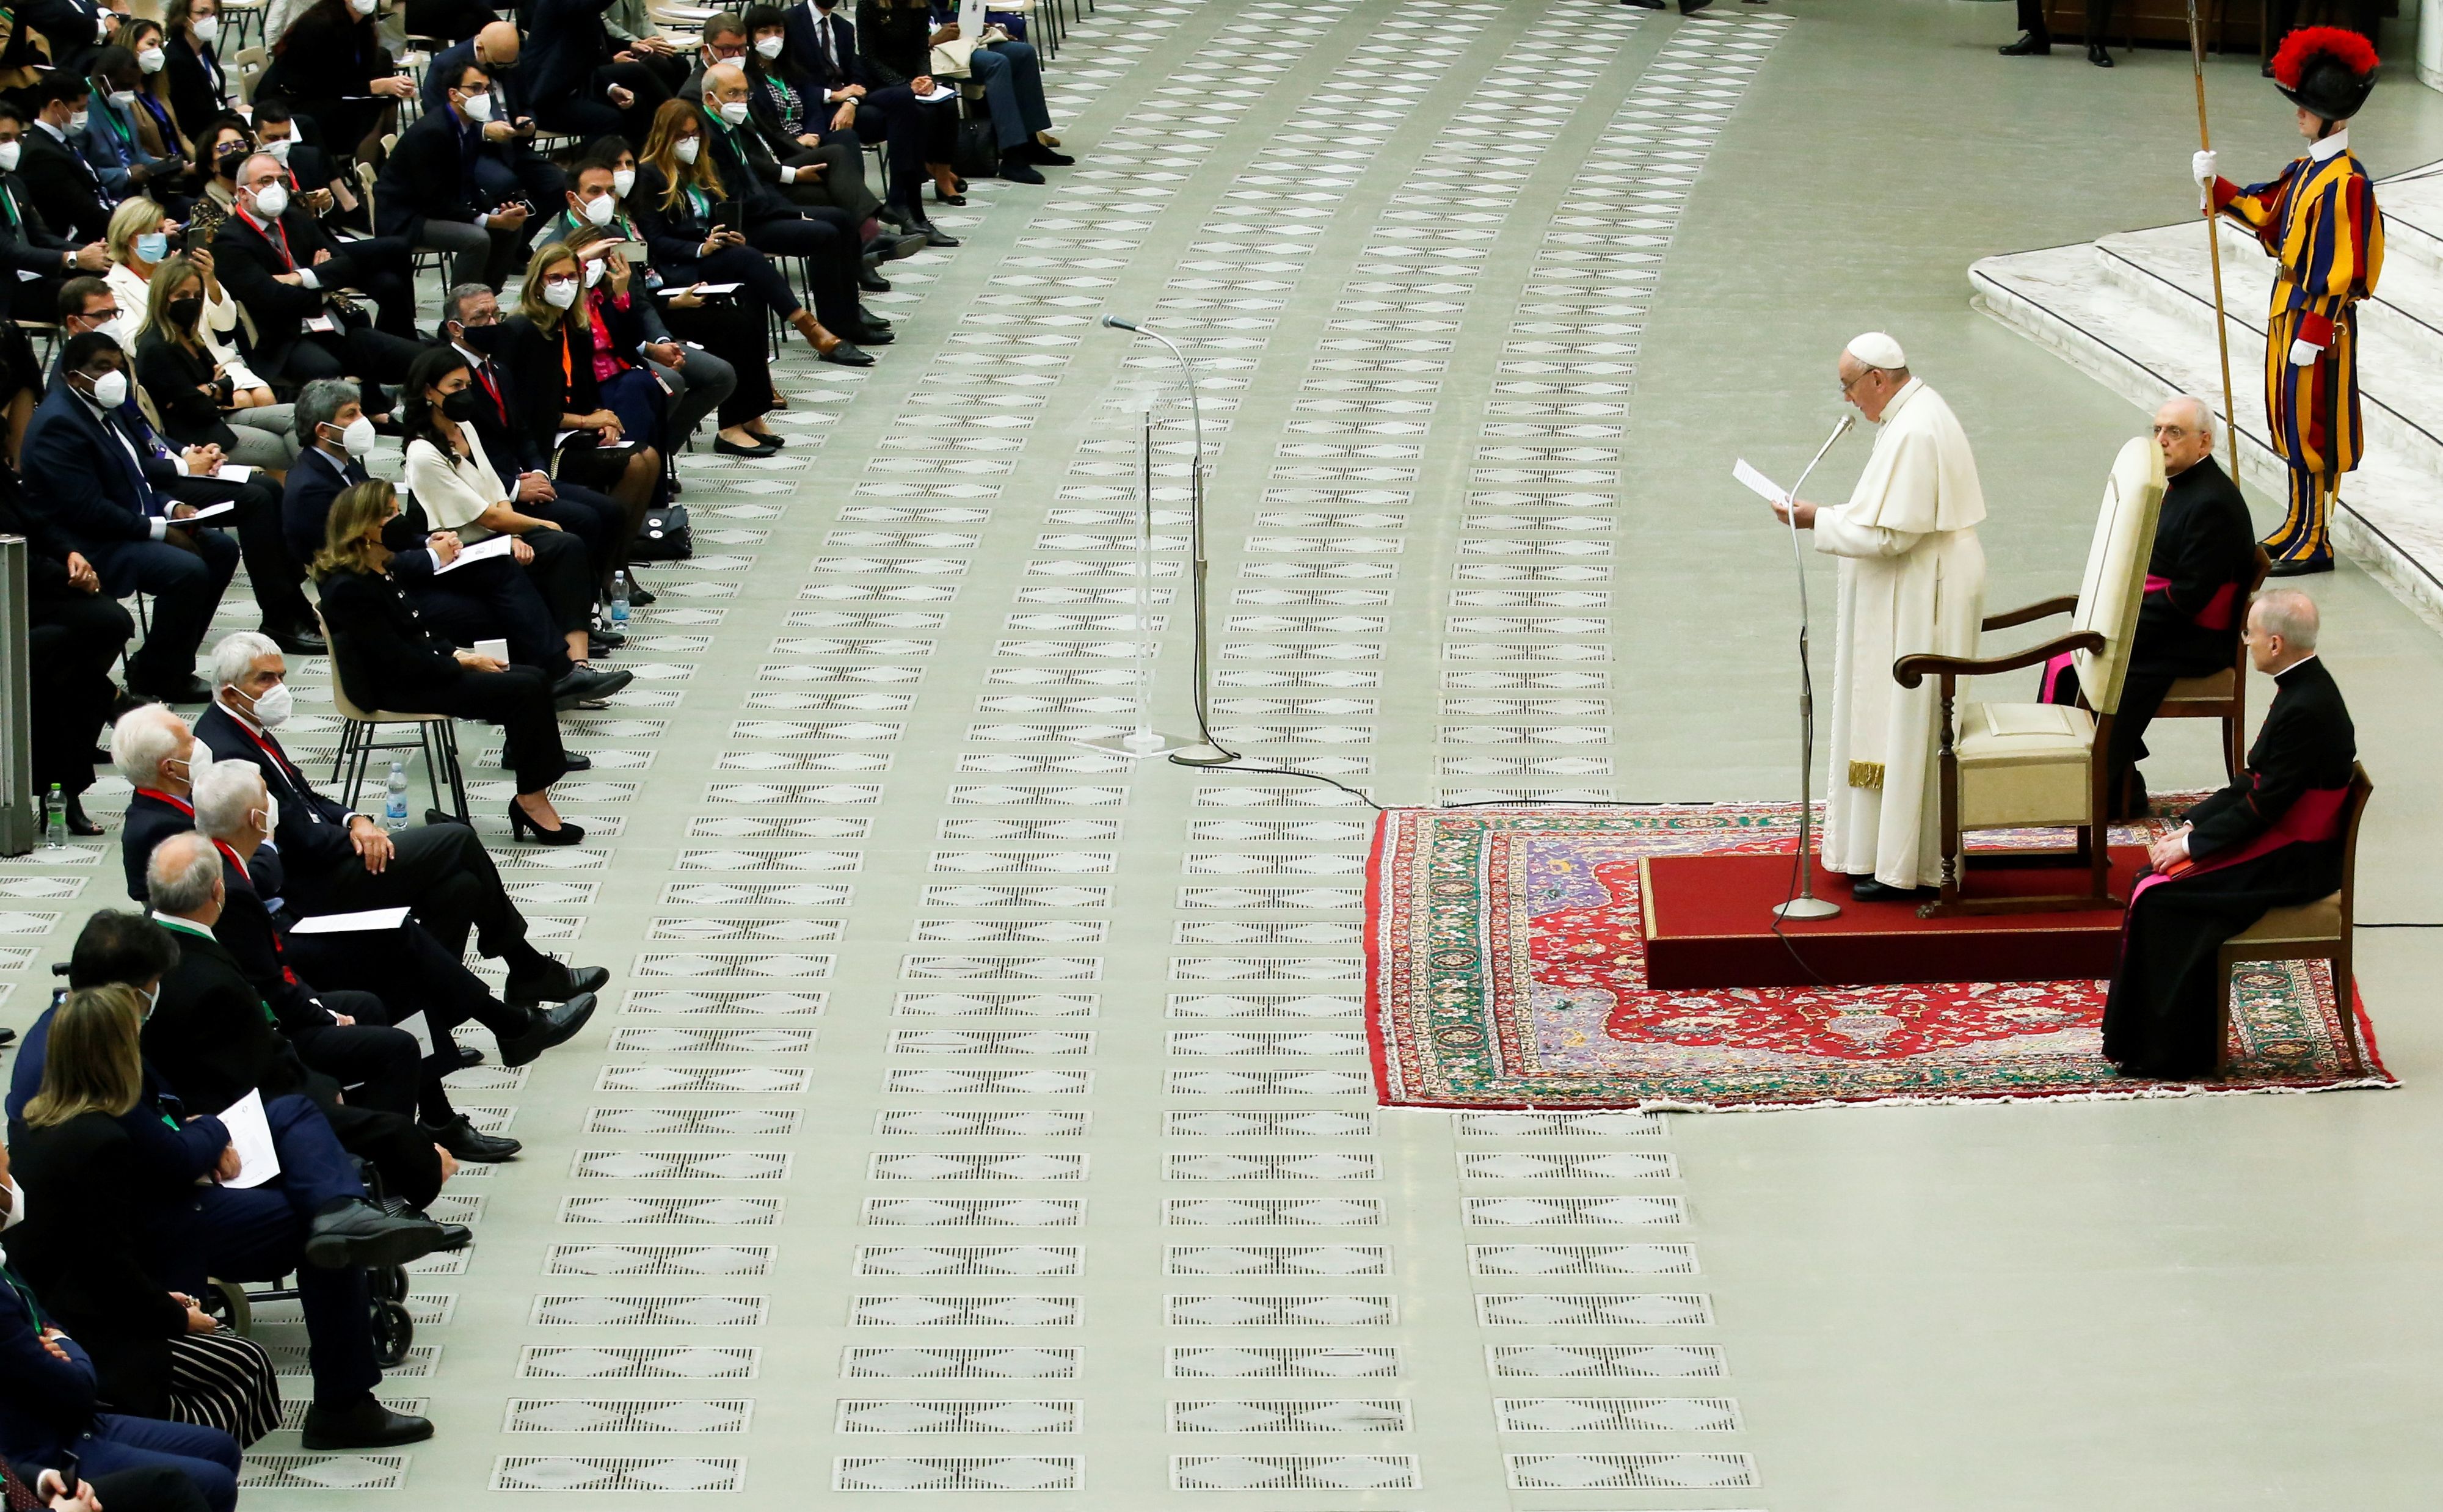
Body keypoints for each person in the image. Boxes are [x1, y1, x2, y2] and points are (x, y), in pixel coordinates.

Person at [13, 910, 456, 1451]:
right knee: (318, 1236)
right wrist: (209, 1136)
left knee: (291, 1114)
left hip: (152, 1180)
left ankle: (340, 1205)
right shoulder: (90, 1049)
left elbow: (159, 1118)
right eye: (155, 988)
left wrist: (197, 1135)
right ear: (133, 995)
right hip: (158, 1214)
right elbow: (166, 1153)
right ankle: (345, 1401)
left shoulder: (61, 1027)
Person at [2, 987, 279, 1455]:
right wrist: (174, 1316)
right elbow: (109, 1267)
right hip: (94, 1330)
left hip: (60, 1306)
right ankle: (180, 1459)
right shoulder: (103, 1143)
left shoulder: (32, 1124)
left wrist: (158, 1301)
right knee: (244, 1362)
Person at [2105, 591, 2358, 1077]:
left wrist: (2191, 847)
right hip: (2284, 839)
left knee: (2159, 897)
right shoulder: (2303, 688)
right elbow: (2254, 780)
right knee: (2149, 881)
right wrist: (2194, 824)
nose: (2245, 642)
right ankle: (2144, 1042)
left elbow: (2264, 807)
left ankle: (2170, 1054)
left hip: (2296, 860)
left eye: (2251, 634)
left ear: (2277, 643)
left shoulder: (2307, 705)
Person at [1772, 332, 1987, 903]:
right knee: (1893, 719)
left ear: (1877, 378)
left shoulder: (1915, 427)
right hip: (1918, 581)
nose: (1847, 399)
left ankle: (1908, 866)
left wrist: (1818, 518)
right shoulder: (1909, 414)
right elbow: (1886, 517)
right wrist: (1830, 517)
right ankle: (1880, 853)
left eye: (1848, 386)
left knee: (1911, 719)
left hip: (1926, 590)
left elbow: (1894, 534)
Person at [2193, 28, 2383, 577]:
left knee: (2315, 430)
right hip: (2288, 314)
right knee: (2289, 424)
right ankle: (2299, 522)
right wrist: (2218, 186)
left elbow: (2343, 270)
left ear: (2334, 117)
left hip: (2316, 325)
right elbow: (2267, 212)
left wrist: (2316, 331)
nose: (2299, 114)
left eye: (2309, 107)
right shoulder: (2307, 172)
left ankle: (2316, 537)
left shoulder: (2346, 184)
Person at [315, 479, 591, 844]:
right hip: (394, 687)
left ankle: (533, 795)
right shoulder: (349, 586)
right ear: (362, 528)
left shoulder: (381, 566)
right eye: (389, 516)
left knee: (534, 678)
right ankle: (532, 801)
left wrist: (460, 654)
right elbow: (395, 659)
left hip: (417, 671)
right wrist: (461, 665)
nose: (400, 523)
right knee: (523, 689)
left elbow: (419, 633)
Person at [2040, 397, 2257, 818]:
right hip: (2167, 622)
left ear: (2204, 442)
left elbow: (2188, 597)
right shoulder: (2176, 487)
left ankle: (2100, 786)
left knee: (2100, 654)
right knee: (2071, 654)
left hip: (2194, 638)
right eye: (2157, 430)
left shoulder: (2212, 503)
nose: (2161, 441)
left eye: (2174, 432)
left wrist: (2119, 625)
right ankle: (2114, 781)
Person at [20, 331, 238, 703]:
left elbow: (134, 475)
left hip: (124, 524)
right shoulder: (60, 424)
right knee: (185, 570)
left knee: (220, 549)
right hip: (87, 542)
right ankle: (159, 676)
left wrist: (172, 509)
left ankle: (164, 664)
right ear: (73, 375)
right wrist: (159, 531)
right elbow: (86, 509)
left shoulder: (105, 409)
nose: (114, 377)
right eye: (102, 368)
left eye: (118, 367)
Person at [402, 344, 621, 674]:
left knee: (569, 546)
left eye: (468, 386)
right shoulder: (422, 452)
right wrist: (537, 527)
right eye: (455, 387)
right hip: (459, 547)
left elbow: (495, 492)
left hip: (491, 537)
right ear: (429, 392)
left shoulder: (466, 428)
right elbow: (483, 515)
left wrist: (516, 533)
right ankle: (565, 665)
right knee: (560, 539)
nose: (465, 394)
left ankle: (579, 660)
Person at [632, 98, 852, 363]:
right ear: (665, 137)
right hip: (681, 262)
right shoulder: (649, 175)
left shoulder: (704, 167)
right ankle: (809, 327)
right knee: (749, 261)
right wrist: (701, 248)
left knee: (751, 274)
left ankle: (759, 368)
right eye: (681, 136)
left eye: (694, 134)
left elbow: (716, 214)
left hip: (715, 252)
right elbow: (655, 241)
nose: (690, 142)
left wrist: (730, 235)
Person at [697, 64, 893, 359]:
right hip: (743, 225)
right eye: (732, 94)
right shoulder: (709, 136)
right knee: (824, 234)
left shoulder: (729, 126)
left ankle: (849, 317)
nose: (740, 101)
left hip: (762, 208)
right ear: (712, 99)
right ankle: (833, 328)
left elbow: (755, 181)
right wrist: (789, 214)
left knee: (842, 218)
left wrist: (786, 210)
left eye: (744, 94)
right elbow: (734, 199)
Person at [213, 151, 423, 402]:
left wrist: (301, 277)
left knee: (421, 359)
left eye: (281, 181)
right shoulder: (230, 240)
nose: (276, 189)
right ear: (243, 193)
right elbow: (273, 298)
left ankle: (379, 407)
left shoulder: (293, 218)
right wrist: (321, 287)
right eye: (266, 181)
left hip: (331, 324)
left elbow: (347, 266)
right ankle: (362, 414)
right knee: (327, 371)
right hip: (285, 339)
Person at [500, 240, 669, 539]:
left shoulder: (575, 327)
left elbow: (588, 393)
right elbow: (528, 412)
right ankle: (612, 560)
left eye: (572, 277)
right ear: (538, 284)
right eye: (556, 278)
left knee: (648, 457)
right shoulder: (522, 330)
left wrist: (604, 418)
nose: (566, 284)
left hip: (572, 434)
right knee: (634, 464)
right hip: (540, 448)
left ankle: (619, 555)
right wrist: (587, 421)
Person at [0, 470, 129, 835]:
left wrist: (71, 555)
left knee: (102, 629)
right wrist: (65, 577)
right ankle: (106, 701)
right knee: (58, 651)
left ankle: (104, 704)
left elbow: (37, 524)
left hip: (27, 593)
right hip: (9, 591)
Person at [0, 101, 113, 463]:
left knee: (105, 282)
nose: (12, 146)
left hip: (30, 278)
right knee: (82, 301)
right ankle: (80, 380)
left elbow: (40, 237)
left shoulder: (13, 182)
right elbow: (9, 251)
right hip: (10, 291)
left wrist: (88, 253)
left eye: (16, 137)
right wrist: (74, 260)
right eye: (3, 138)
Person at [376, 57, 537, 291]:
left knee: (510, 228)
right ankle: (462, 311)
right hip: (407, 216)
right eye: (475, 88)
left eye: (487, 89)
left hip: (436, 207)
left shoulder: (468, 125)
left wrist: (496, 211)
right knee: (476, 239)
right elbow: (434, 202)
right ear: (453, 94)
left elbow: (467, 181)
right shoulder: (432, 133)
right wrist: (488, 220)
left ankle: (487, 299)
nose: (484, 95)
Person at [134, 254, 299, 473]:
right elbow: (196, 406)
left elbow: (226, 384)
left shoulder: (190, 335)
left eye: (196, 295)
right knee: (285, 449)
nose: (191, 301)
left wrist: (209, 390)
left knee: (297, 415)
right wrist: (213, 390)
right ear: (162, 297)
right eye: (182, 295)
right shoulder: (156, 347)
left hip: (217, 418)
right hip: (198, 436)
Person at [852, 0, 974, 226]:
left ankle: (943, 175)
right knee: (920, 113)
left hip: (914, 77)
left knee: (947, 105)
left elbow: (921, 49)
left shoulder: (920, 4)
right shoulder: (870, 4)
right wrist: (904, 84)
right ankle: (913, 188)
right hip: (881, 81)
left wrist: (927, 78)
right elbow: (868, 57)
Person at [258, 0, 415, 164]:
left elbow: (356, 71)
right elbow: (324, 84)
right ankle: (367, 178)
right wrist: (376, 87)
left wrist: (393, 86)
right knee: (369, 112)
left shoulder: (362, 21)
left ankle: (383, 173)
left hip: (323, 92)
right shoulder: (318, 25)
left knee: (387, 101)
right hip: (294, 99)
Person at [525, 0, 671, 145]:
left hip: (577, 85)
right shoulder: (564, 4)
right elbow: (588, 6)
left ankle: (648, 157)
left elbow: (596, 48)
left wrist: (611, 88)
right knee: (609, 119)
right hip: (546, 100)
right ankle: (592, 167)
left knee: (637, 103)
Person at [18, 74, 122, 244]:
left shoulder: (62, 141)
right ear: (57, 105)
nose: (84, 115)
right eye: (79, 109)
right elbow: (85, 213)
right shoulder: (41, 156)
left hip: (104, 226)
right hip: (83, 244)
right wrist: (134, 229)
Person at [78, 43, 187, 205]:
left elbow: (137, 155)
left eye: (133, 87)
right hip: (104, 201)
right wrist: (127, 174)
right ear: (103, 81)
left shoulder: (119, 101)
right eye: (126, 87)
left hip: (137, 198)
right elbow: (81, 173)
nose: (130, 94)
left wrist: (165, 165)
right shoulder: (78, 109)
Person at [162, 0, 236, 147]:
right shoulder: (177, 60)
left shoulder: (204, 46)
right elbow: (197, 119)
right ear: (183, 17)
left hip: (219, 120)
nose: (210, 19)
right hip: (202, 135)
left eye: (213, 13)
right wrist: (235, 113)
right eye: (202, 13)